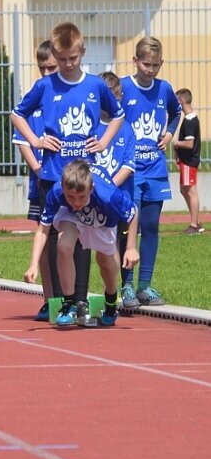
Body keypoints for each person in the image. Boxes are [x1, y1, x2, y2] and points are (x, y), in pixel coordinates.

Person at [11, 22, 124, 319]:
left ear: (82, 52)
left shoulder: (95, 85)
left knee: (87, 241)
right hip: (52, 174)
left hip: (85, 176)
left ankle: (84, 299)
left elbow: (118, 115)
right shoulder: (45, 85)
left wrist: (103, 142)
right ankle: (61, 302)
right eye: (61, 59)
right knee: (58, 241)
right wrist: (36, 140)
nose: (67, 64)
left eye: (72, 58)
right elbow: (16, 114)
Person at [25, 160, 139, 327]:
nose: (76, 202)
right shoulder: (57, 192)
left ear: (91, 188)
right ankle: (69, 304)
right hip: (72, 217)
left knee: (105, 261)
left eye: (81, 197)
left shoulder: (108, 196)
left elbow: (133, 212)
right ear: (63, 187)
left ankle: (111, 300)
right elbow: (43, 231)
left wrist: (130, 247)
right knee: (63, 246)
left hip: (103, 218)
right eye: (70, 196)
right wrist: (33, 264)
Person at [119, 37, 182, 307]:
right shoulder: (123, 87)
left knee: (151, 226)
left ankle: (145, 285)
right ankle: (127, 285)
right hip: (130, 171)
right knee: (128, 227)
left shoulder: (164, 89)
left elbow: (176, 113)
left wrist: (168, 134)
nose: (150, 70)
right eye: (146, 64)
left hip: (155, 169)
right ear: (135, 61)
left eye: (156, 65)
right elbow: (110, 117)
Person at [12, 41, 58, 320]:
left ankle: (72, 296)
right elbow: (22, 140)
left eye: (51, 67)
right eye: (42, 67)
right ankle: (49, 297)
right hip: (42, 181)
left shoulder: (69, 93)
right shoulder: (37, 94)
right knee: (45, 236)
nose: (46, 72)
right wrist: (39, 170)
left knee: (70, 238)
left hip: (68, 180)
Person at [94, 72, 137, 312]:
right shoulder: (90, 125)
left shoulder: (127, 129)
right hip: (93, 198)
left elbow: (128, 165)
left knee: (120, 242)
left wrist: (108, 188)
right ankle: (78, 296)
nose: (114, 102)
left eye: (117, 97)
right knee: (101, 250)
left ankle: (124, 287)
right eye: (108, 98)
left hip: (118, 196)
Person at [173, 88, 203, 234]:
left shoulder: (190, 120)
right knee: (184, 189)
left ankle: (194, 224)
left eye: (176, 100)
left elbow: (190, 144)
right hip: (186, 161)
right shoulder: (189, 118)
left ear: (182, 101)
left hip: (190, 161)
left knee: (190, 190)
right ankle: (196, 221)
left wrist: (176, 143)